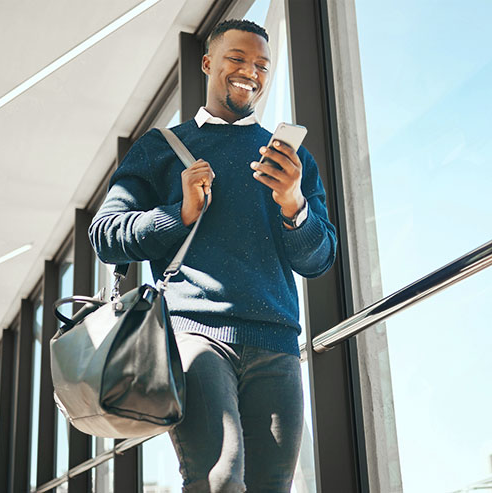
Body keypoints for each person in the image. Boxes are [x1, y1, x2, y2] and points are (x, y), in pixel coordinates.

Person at [89, 19, 337, 493]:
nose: (251, 72)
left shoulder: (292, 161)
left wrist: (294, 205)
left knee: (273, 485)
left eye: (262, 65)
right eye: (238, 59)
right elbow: (104, 235)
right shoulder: (161, 148)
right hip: (192, 334)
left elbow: (319, 259)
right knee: (218, 479)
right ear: (207, 64)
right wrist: (177, 215)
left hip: (277, 343)